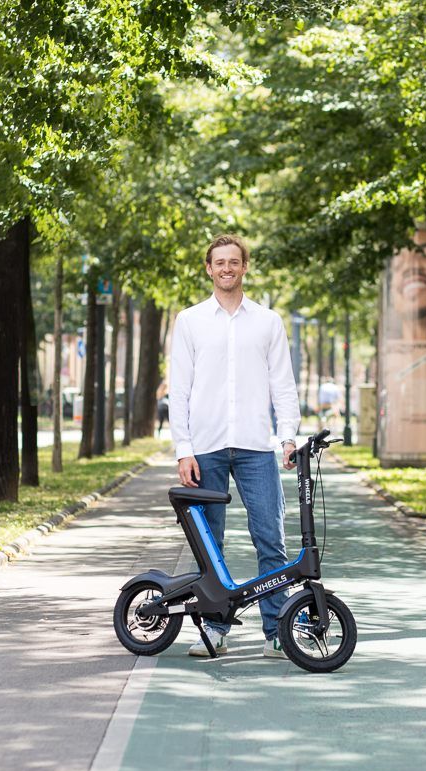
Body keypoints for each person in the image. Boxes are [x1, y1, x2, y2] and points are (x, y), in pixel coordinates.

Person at [170, 233, 301, 659]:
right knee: (211, 543)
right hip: (204, 446)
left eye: (234, 261)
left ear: (245, 267)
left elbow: (283, 384)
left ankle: (276, 631)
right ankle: (215, 629)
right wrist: (182, 448)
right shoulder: (189, 322)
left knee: (271, 539)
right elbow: (180, 390)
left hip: (255, 447)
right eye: (219, 262)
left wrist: (288, 436)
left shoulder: (268, 322)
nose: (226, 268)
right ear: (209, 269)